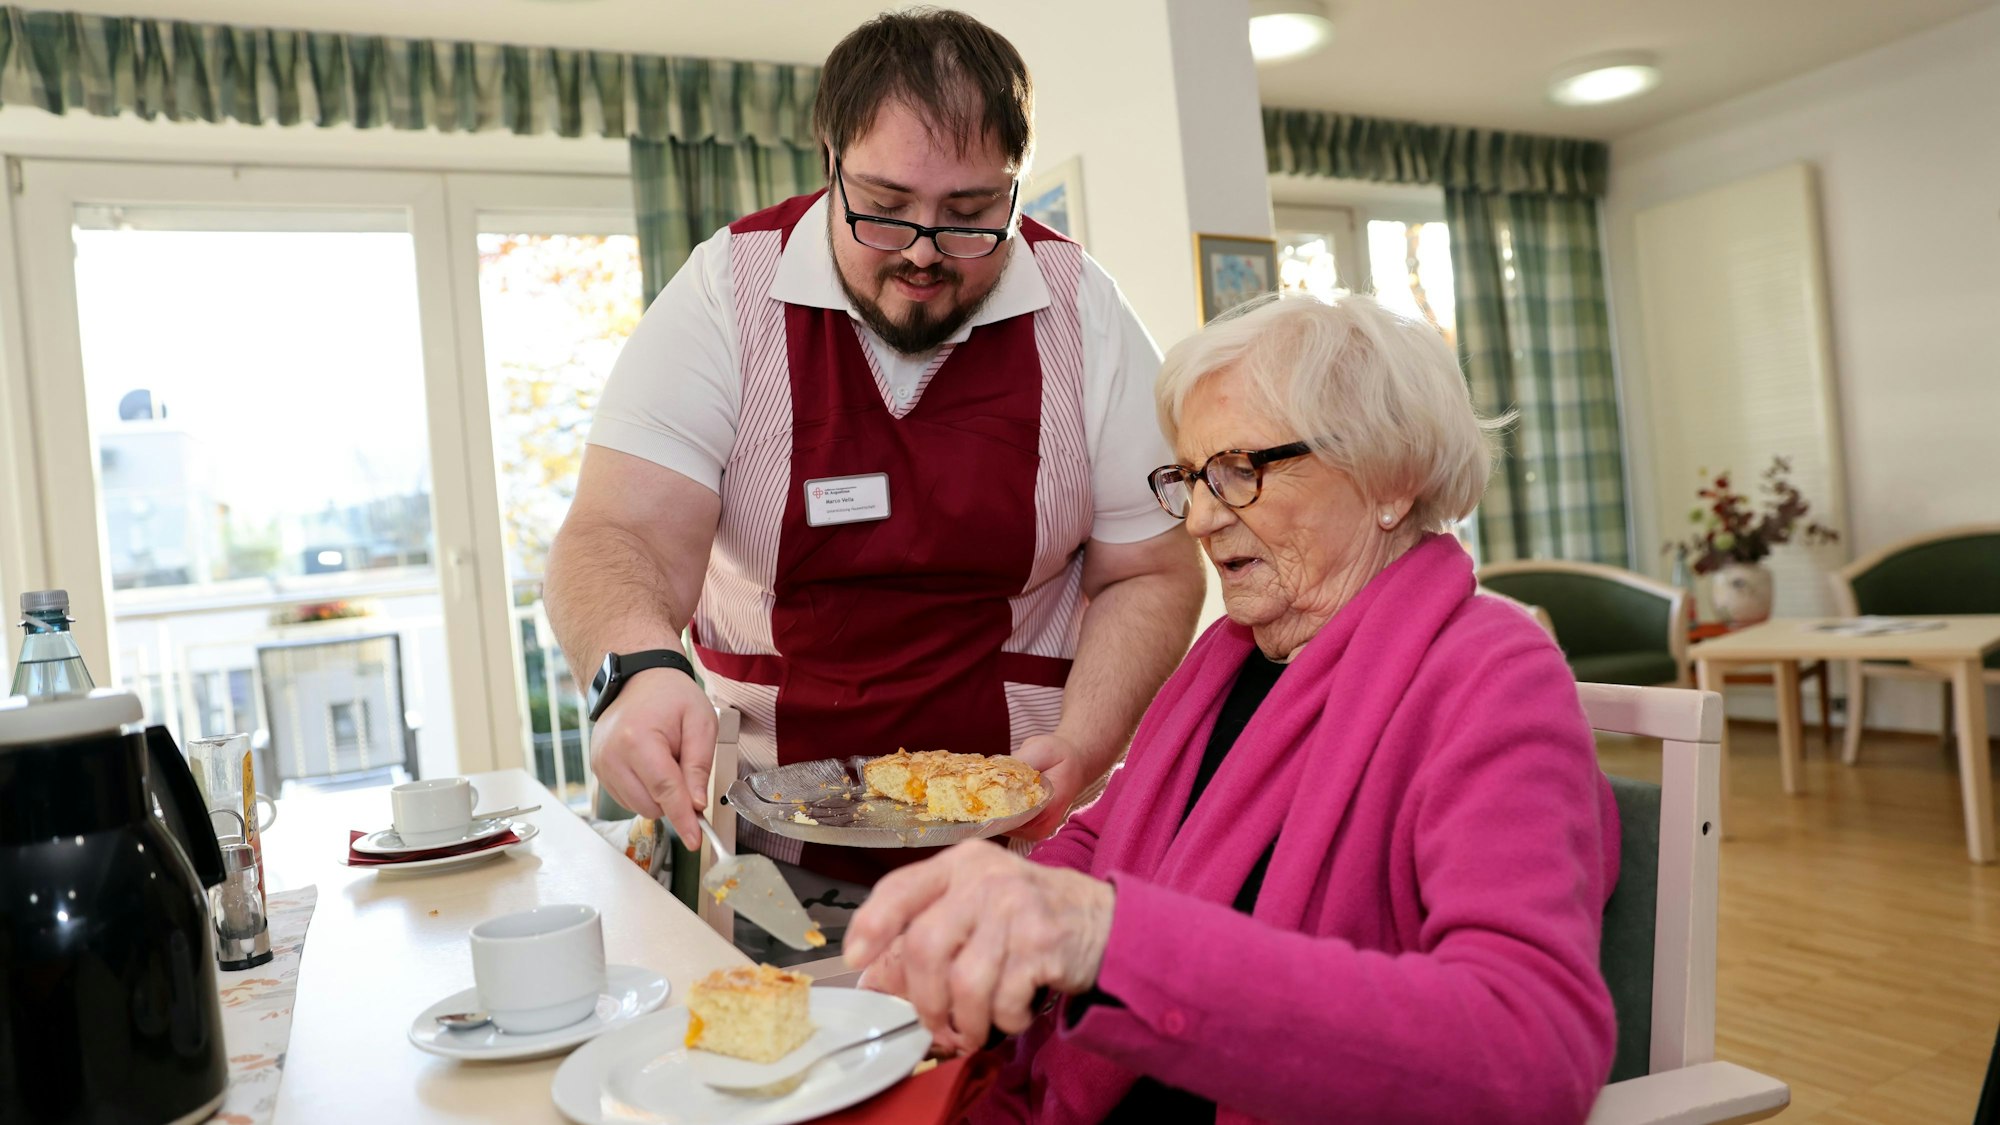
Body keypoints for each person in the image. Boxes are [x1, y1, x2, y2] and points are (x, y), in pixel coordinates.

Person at [846, 293, 1621, 1124]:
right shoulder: (1228, 659)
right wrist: (993, 923)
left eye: (1238, 471)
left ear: (1390, 480)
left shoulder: (1489, 677)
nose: (1202, 518)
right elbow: (1116, 840)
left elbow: (1530, 1047)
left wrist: (1101, 937)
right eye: (1189, 478)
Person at [542, 9, 1204, 951]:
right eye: (886, 206)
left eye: (970, 215)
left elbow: (1152, 568)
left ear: (1014, 188)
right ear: (831, 161)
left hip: (1021, 848)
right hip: (761, 856)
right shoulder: (725, 294)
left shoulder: (1084, 311)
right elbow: (617, 535)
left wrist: (1084, 745)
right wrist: (636, 671)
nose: (923, 251)